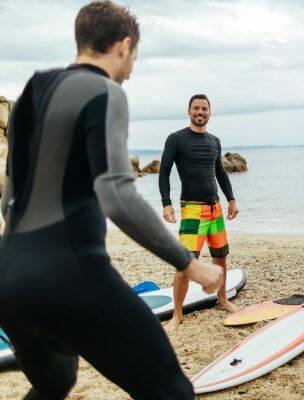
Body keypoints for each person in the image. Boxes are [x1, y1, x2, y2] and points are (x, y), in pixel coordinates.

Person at [0, 2, 222, 398]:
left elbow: (9, 195)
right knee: (172, 391)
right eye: (134, 56)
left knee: (55, 381)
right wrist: (188, 263)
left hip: (8, 275)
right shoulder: (105, 91)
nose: (131, 68)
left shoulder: (32, 90)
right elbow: (116, 193)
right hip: (69, 273)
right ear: (124, 46)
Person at [159, 94, 239, 333]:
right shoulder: (176, 139)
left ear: (209, 112)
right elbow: (164, 172)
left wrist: (231, 200)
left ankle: (222, 300)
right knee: (185, 264)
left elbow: (220, 173)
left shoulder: (214, 141)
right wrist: (166, 203)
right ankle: (177, 314)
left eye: (204, 108)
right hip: (192, 209)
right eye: (196, 108)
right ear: (189, 111)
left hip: (215, 209)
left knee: (221, 256)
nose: (200, 112)